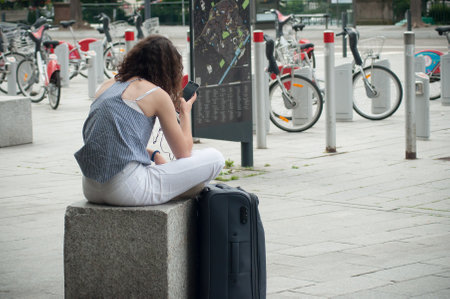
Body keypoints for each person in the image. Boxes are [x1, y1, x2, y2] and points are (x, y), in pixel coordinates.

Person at [74, 35, 225, 206]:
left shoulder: (107, 86)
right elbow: (183, 153)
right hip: (127, 189)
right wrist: (184, 112)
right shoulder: (155, 94)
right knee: (215, 158)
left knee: (167, 167)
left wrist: (153, 154)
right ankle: (172, 192)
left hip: (90, 188)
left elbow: (110, 138)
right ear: (168, 69)